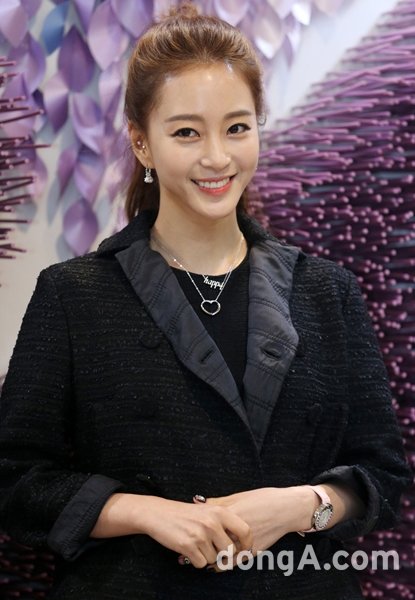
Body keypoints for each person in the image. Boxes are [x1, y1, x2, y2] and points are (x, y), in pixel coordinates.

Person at [0, 4, 411, 599]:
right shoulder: (74, 295)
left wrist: (301, 506)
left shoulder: (328, 292)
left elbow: (383, 473)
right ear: (141, 142)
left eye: (237, 128)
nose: (217, 157)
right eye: (187, 132)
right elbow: (15, 481)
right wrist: (142, 511)